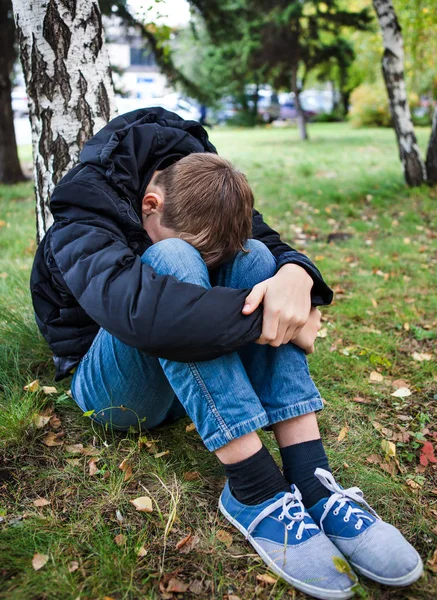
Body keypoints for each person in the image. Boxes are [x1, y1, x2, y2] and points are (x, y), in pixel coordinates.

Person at [30, 108, 423, 600]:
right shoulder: (83, 214)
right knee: (172, 262)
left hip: (189, 384)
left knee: (256, 259)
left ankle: (312, 479)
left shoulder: (203, 182)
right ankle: (253, 487)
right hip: (110, 388)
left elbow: (270, 245)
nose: (205, 265)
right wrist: (275, 317)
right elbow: (148, 317)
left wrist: (296, 277)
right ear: (149, 204)